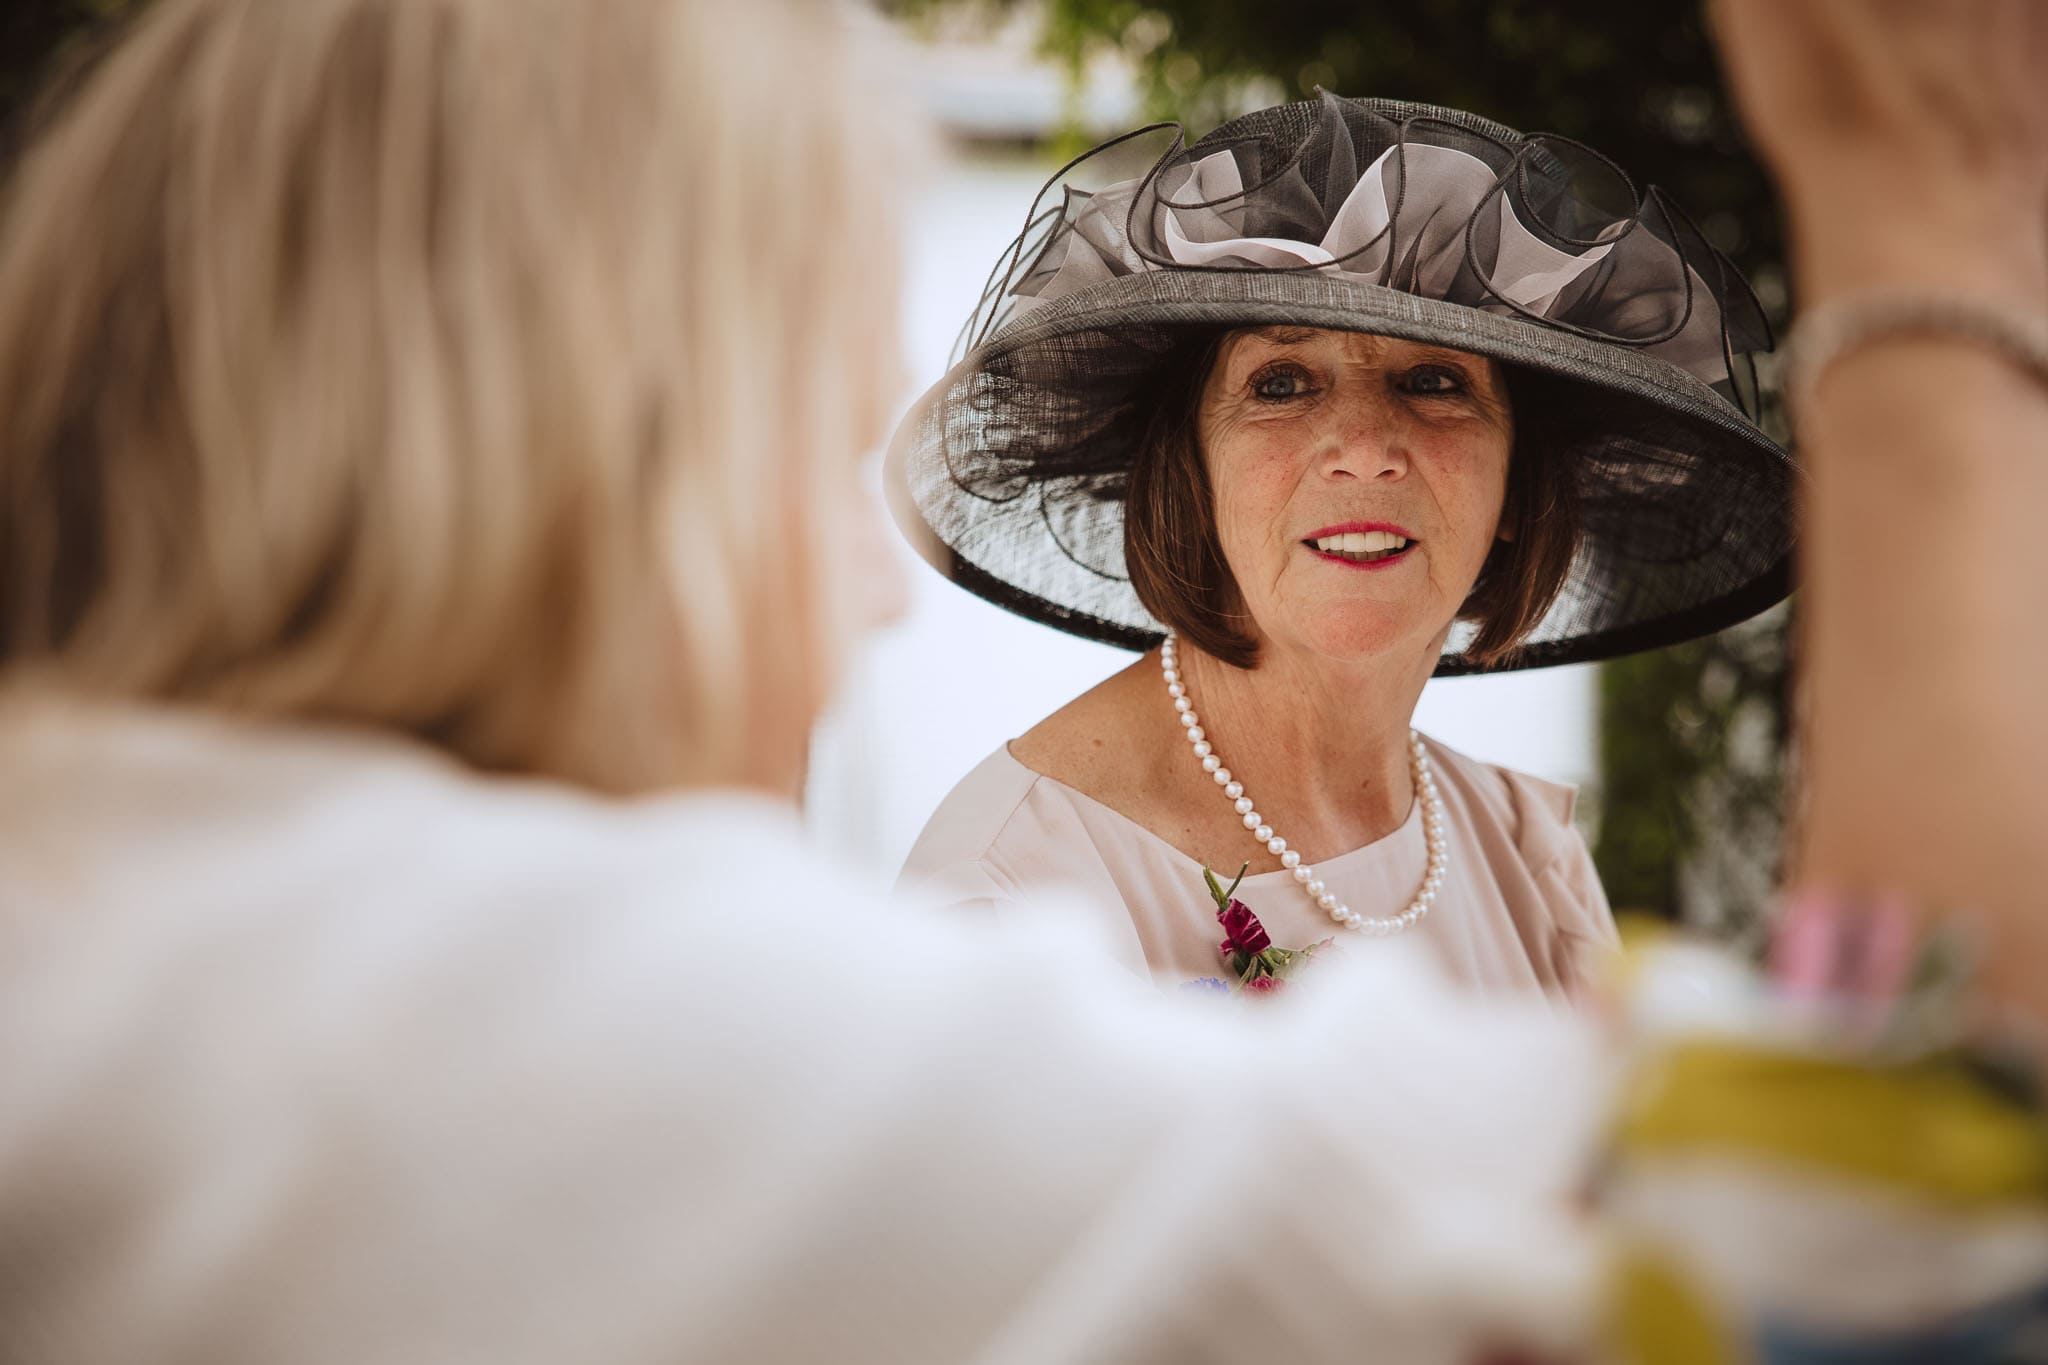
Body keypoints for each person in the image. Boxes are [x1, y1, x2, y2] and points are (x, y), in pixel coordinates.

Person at [0, 0, 2044, 1359]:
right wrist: (1929, 227)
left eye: (1440, 389)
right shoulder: (590, 1010)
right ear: (581, 459)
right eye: (807, 436)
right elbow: (1891, 1213)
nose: (879, 606)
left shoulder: (95, 929)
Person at [890, 94, 1796, 997]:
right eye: (1282, 383)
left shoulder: (1529, 855)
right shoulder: (1012, 895)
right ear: (1191, 474)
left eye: (1434, 382)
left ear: (1518, 483)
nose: (1365, 449)